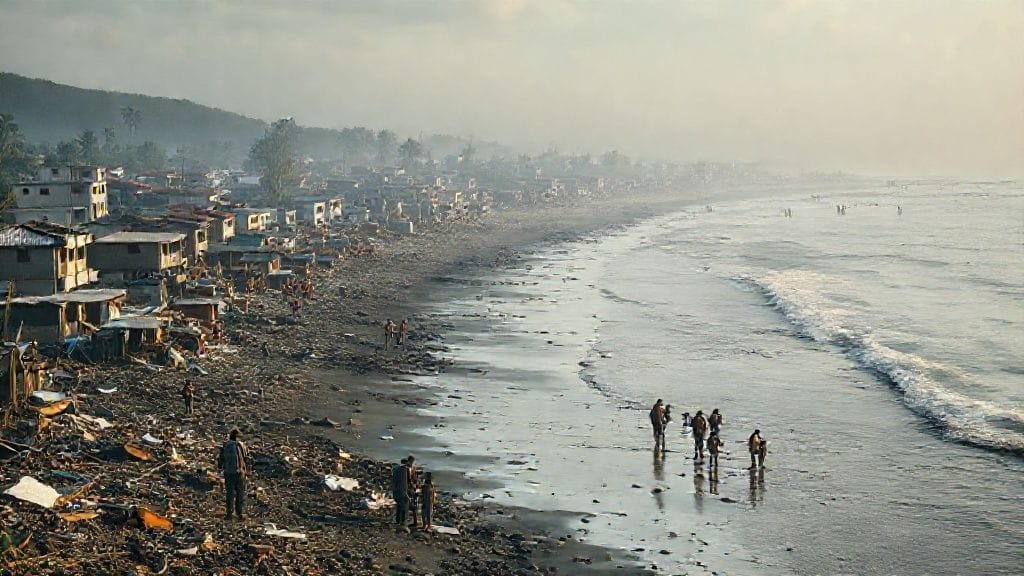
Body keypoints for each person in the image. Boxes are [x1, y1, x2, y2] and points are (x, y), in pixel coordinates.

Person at [217, 429, 252, 520]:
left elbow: (220, 460)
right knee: (240, 493)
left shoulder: (225, 445)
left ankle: (229, 513)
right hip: (240, 473)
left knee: (230, 493)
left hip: (229, 473)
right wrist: (247, 470)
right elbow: (247, 458)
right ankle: (239, 513)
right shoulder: (242, 445)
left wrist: (221, 468)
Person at [392, 458, 410, 527]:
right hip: (401, 491)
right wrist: (406, 494)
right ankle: (402, 522)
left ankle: (397, 521)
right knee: (404, 506)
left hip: (395, 490)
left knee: (399, 506)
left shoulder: (396, 469)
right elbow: (403, 483)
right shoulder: (404, 470)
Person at [406, 455, 420, 527]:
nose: (411, 463)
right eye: (411, 461)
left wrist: (415, 486)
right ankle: (413, 521)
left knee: (413, 504)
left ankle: (415, 521)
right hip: (409, 488)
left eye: (412, 462)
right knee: (410, 504)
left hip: (411, 488)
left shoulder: (412, 468)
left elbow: (414, 478)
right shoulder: (407, 468)